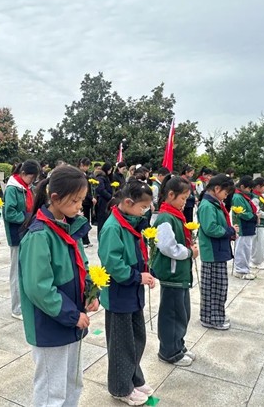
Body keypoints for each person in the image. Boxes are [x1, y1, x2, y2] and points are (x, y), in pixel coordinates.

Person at [18, 165, 99, 407]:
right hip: (50, 323)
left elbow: (82, 265)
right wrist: (72, 314)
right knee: (51, 390)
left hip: (72, 319)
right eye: (75, 200)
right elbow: (38, 288)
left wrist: (91, 293)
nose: (79, 206)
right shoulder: (39, 235)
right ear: (54, 198)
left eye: (82, 200)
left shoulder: (69, 226)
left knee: (73, 382)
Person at [98, 181, 156, 405]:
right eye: (143, 207)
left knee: (136, 339)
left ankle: (134, 378)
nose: (145, 211)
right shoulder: (113, 227)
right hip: (119, 295)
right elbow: (113, 264)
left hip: (133, 293)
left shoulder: (131, 222)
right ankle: (120, 388)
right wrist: (137, 277)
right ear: (129, 202)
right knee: (121, 344)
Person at [152, 176, 198, 367]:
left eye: (187, 199)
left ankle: (178, 345)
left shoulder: (175, 215)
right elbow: (167, 247)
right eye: (183, 198)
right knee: (172, 314)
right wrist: (189, 252)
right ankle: (169, 352)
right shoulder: (165, 217)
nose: (184, 203)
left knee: (182, 313)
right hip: (172, 274)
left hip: (180, 273)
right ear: (170, 195)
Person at [197, 174, 237, 330]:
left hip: (217, 250)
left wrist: (230, 231)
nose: (226, 196)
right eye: (225, 193)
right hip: (212, 252)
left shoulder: (214, 203)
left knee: (218, 287)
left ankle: (215, 315)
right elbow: (211, 228)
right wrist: (229, 230)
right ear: (217, 188)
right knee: (214, 288)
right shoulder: (207, 205)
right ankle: (211, 319)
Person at [3, 159, 41, 321]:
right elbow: (9, 213)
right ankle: (17, 308)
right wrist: (28, 218)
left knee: (27, 270)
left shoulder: (27, 188)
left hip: (28, 231)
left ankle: (26, 303)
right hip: (17, 234)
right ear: (23, 173)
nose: (32, 181)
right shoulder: (13, 189)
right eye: (31, 178)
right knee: (16, 272)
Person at [231, 176, 258, 280]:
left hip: (248, 226)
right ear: (242, 186)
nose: (250, 191)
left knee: (247, 249)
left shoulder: (244, 196)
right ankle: (240, 270)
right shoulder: (238, 197)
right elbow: (242, 213)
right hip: (242, 226)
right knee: (242, 249)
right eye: (249, 188)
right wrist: (254, 216)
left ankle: (245, 268)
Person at [77, 157, 96, 248]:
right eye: (86, 166)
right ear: (81, 165)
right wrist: (90, 197)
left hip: (88, 201)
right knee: (82, 220)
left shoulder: (87, 174)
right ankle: (83, 239)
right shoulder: (78, 174)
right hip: (83, 200)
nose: (87, 168)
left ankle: (86, 239)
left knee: (87, 220)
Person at [95, 161, 114, 238]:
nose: (110, 172)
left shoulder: (107, 177)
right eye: (109, 170)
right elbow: (101, 189)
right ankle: (101, 236)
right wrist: (110, 196)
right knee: (102, 219)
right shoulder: (101, 177)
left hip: (108, 201)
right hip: (103, 201)